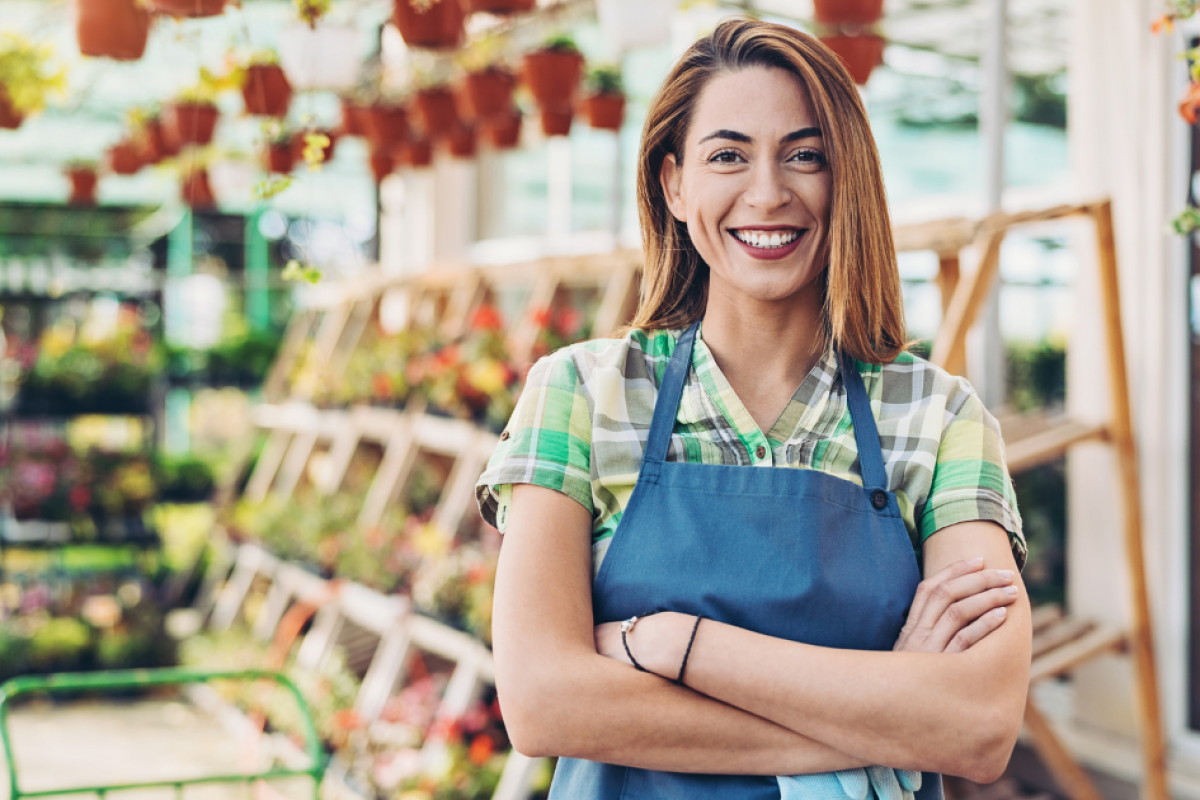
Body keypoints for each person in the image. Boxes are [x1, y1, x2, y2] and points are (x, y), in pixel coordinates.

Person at [475, 17, 1031, 800]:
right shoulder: (579, 395)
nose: (768, 193)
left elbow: (977, 726)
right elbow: (542, 704)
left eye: (805, 156)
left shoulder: (937, 416)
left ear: (848, 181)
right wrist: (887, 719)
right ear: (674, 185)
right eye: (728, 155)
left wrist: (673, 644)